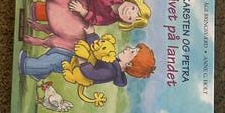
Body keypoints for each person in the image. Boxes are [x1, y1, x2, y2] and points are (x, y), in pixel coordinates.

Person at [19, 25, 156, 84]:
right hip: (78, 60)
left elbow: (91, 73)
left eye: (132, 52)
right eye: (133, 48)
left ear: (130, 63)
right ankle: (39, 73)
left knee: (56, 60)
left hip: (77, 69)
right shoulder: (112, 61)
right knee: (57, 52)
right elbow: (98, 49)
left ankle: (25, 65)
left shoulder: (111, 72)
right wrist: (91, 35)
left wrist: (82, 60)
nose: (129, 48)